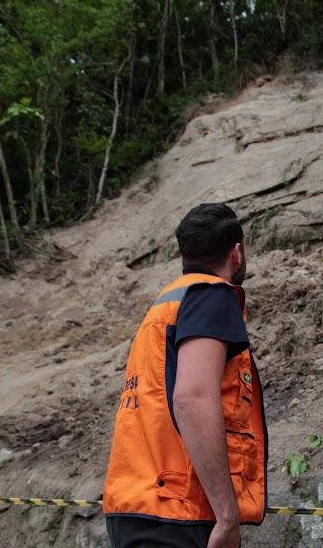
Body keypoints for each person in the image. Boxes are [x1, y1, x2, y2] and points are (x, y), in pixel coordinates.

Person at [103, 203, 268, 548]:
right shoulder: (212, 296)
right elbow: (192, 398)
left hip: (139, 504)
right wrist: (227, 515)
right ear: (236, 252)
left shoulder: (165, 305)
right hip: (179, 511)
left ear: (185, 253)